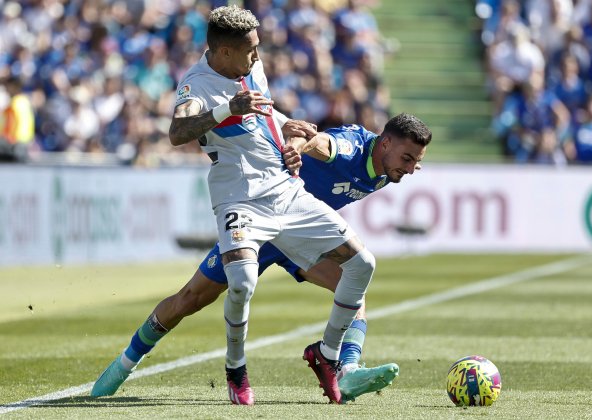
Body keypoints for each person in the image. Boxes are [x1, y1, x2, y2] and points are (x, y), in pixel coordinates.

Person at [92, 5, 377, 406]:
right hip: (239, 200)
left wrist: (287, 132)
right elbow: (177, 132)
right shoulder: (197, 84)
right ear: (224, 52)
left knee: (363, 265)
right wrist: (228, 109)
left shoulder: (246, 68)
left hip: (286, 192)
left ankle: (328, 356)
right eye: (250, 50)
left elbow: (262, 113)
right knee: (231, 286)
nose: (257, 57)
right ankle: (234, 369)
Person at [90, 111, 431, 404]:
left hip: (300, 235)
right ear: (385, 143)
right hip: (260, 221)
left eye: (417, 161)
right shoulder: (353, 147)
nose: (412, 168)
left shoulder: (389, 170)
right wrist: (297, 146)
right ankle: (124, 364)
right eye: (408, 158)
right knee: (189, 299)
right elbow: (322, 143)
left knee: (354, 287)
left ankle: (348, 368)